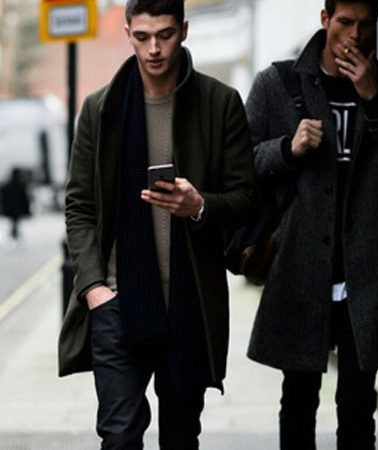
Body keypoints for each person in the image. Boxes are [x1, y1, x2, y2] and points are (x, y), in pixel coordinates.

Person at [58, 0, 256, 448]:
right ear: (128, 32)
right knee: (119, 437)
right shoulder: (100, 109)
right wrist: (94, 289)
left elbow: (247, 199)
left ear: (183, 30)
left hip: (187, 305)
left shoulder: (219, 103)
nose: (154, 49)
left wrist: (199, 206)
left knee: (181, 438)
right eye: (143, 36)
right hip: (116, 303)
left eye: (164, 35)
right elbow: (80, 205)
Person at [245, 1, 378, 449]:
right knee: (298, 400)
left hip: (368, 270)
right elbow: (239, 165)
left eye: (366, 24)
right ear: (325, 19)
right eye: (345, 22)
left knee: (357, 406)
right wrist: (287, 148)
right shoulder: (278, 83)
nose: (355, 35)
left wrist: (375, 100)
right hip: (300, 264)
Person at [0, 167, 31, 242]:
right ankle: (14, 233)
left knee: (14, 221)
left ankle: (14, 232)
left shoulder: (6, 185)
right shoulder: (21, 186)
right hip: (17, 208)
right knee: (15, 221)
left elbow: (3, 198)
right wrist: (27, 210)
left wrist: (3, 208)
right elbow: (24, 199)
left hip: (9, 208)